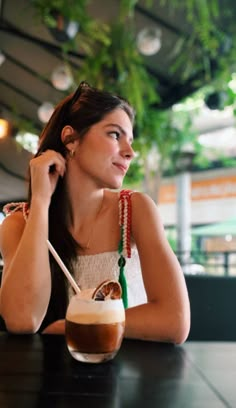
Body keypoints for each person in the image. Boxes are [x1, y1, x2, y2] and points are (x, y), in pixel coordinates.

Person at [0, 82, 190, 343]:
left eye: (130, 140)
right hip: (50, 379)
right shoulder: (18, 224)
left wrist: (73, 325)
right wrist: (41, 201)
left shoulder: (135, 210)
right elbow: (22, 320)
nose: (130, 152)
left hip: (126, 373)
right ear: (70, 139)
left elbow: (174, 320)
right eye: (115, 135)